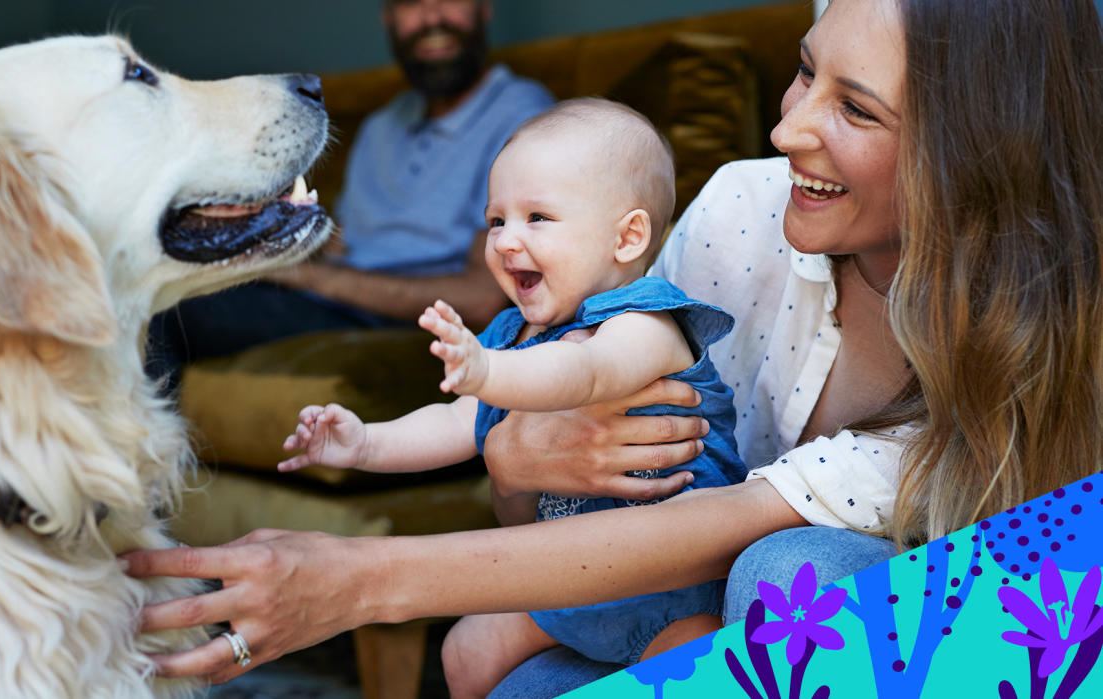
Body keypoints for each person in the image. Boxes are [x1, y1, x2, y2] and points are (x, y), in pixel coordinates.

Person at [122, 0, 1103, 695]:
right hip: (646, 569)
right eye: (808, 68)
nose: (785, 123)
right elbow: (552, 465)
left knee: (794, 574)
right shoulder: (740, 211)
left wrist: (358, 582)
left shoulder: (1015, 355)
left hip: (811, 602)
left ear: (972, 153)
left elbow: (725, 521)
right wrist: (506, 450)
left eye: (856, 108)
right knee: (490, 667)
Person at [278, 99, 748, 695]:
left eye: (538, 218)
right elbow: (457, 424)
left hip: (673, 591)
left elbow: (584, 372)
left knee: (703, 668)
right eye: (496, 220)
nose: (505, 241)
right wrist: (364, 444)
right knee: (465, 650)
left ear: (627, 237)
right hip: (561, 581)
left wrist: (487, 371)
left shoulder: (647, 323)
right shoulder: (512, 337)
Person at [145, 0, 554, 388]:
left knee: (163, 313)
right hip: (328, 302)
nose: (431, 17)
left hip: (401, 322)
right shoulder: (381, 126)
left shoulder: (522, 115)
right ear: (388, 19)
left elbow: (484, 299)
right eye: (410, 3)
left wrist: (301, 274)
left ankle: (130, 462)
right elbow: (341, 245)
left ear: (484, 9)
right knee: (156, 285)